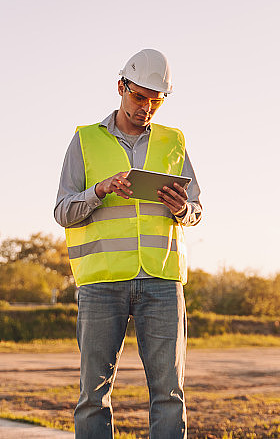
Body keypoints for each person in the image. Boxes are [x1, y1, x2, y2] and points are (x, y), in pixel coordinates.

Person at [54, 48, 201, 439]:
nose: (146, 108)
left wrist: (182, 209)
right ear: (121, 86)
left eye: (156, 101)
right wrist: (99, 190)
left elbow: (197, 209)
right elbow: (63, 211)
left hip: (162, 280)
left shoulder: (174, 142)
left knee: (169, 394)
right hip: (102, 282)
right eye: (139, 97)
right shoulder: (85, 141)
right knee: (93, 397)